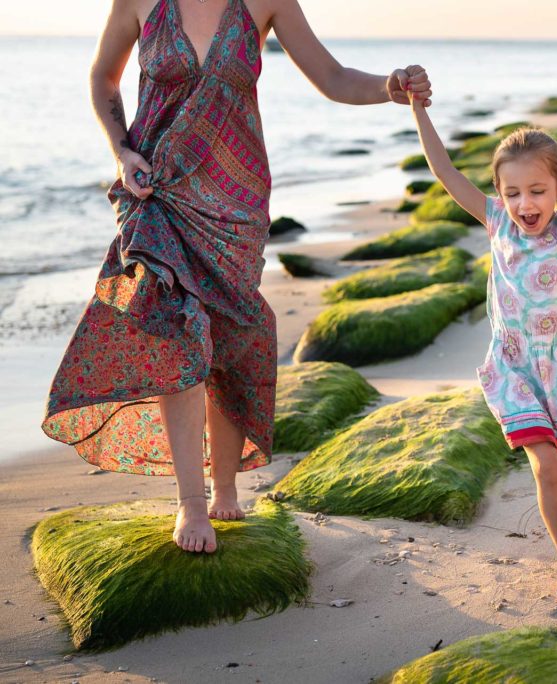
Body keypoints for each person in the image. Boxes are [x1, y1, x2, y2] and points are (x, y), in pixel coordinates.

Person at [41, 0, 432, 555]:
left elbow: (333, 76)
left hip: (235, 199)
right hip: (159, 187)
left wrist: (391, 87)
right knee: (178, 332)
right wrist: (122, 149)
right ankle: (192, 502)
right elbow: (104, 77)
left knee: (227, 335)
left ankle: (224, 483)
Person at [407, 87, 557, 605]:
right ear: (499, 194)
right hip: (514, 368)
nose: (524, 204)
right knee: (546, 468)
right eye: (512, 193)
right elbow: (445, 173)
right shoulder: (494, 223)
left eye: (536, 191)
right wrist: (420, 110)